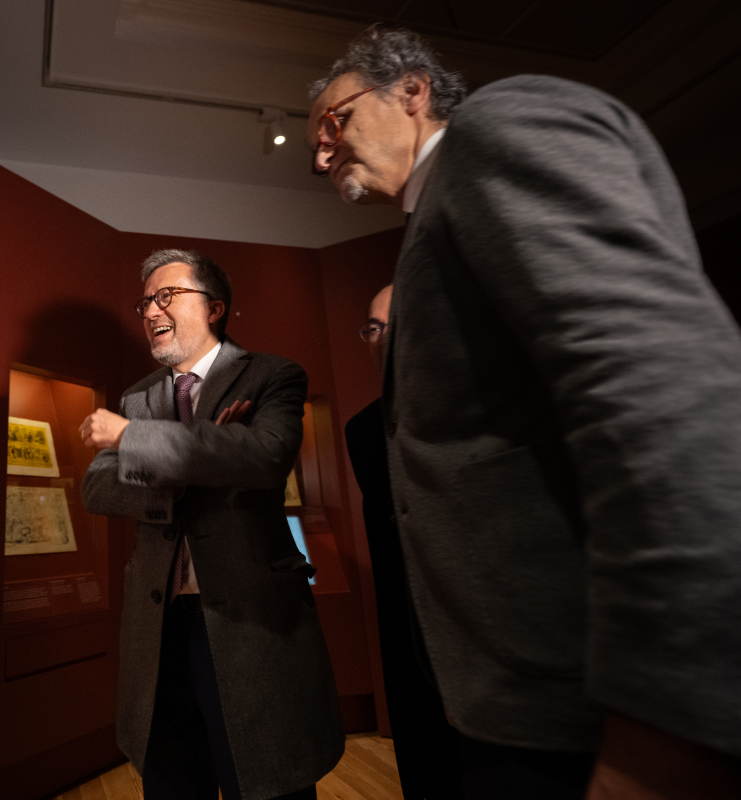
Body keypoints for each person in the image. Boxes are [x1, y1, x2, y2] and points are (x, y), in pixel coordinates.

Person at [310, 26, 741, 799]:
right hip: (522, 709)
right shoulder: (430, 222)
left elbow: (664, 387)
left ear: (411, 90)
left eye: (334, 121)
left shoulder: (497, 129)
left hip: (599, 719)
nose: (321, 152)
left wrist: (673, 723)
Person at [80, 249, 343, 800]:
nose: (151, 310)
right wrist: (199, 464)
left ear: (215, 306)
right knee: (174, 783)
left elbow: (266, 456)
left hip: (253, 626)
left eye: (166, 295)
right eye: (145, 301)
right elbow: (97, 488)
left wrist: (134, 441)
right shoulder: (138, 396)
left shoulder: (271, 376)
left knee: (272, 780)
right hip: (159, 631)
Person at [344, 285, 463, 800]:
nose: (381, 340)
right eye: (372, 328)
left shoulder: (477, 414)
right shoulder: (363, 431)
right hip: (409, 642)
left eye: (395, 324)